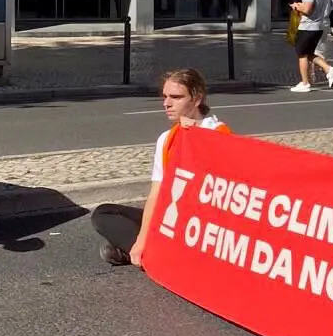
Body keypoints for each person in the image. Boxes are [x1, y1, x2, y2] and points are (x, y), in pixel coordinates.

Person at [91, 69, 232, 267]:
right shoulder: (166, 138)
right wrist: (140, 240)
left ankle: (149, 254)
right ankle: (146, 252)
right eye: (165, 96)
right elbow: (157, 192)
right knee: (103, 213)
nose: (167, 103)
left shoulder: (218, 133)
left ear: (197, 98)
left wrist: (195, 136)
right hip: (170, 217)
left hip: (198, 223)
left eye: (176, 97)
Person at [288, 0, 333, 92]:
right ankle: (328, 69)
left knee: (302, 54)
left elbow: (307, 10)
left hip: (308, 26)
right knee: (309, 53)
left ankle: (305, 83)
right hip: (319, 26)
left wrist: (296, 6)